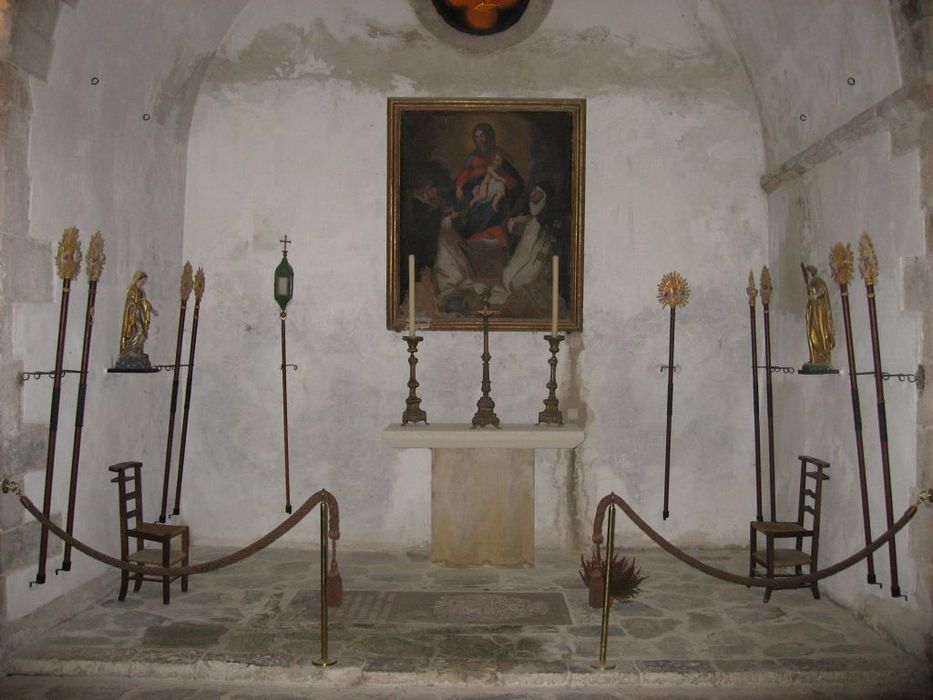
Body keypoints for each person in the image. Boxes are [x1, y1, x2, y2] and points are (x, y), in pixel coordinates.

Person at [452, 123, 523, 247]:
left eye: (482, 136)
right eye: (477, 137)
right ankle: (466, 237)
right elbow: (464, 173)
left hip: (492, 189)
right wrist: (458, 187)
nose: (480, 140)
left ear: (489, 137)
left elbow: (514, 179)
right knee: (465, 205)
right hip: (473, 190)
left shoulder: (498, 155)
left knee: (489, 209)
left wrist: (503, 181)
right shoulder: (472, 157)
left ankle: (476, 237)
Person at [489, 184, 553, 309]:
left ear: (544, 197)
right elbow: (512, 230)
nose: (534, 194)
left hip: (535, 257)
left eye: (538, 193)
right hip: (521, 253)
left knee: (522, 278)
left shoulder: (546, 219)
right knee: (508, 272)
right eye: (533, 191)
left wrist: (543, 251)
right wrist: (516, 220)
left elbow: (547, 242)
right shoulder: (527, 215)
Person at [801, 263, 834, 368]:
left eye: (807, 273)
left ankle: (823, 356)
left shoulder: (818, 281)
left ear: (811, 273)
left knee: (819, 330)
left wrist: (814, 296)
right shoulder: (810, 283)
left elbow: (822, 291)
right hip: (812, 310)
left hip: (819, 310)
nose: (806, 275)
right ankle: (815, 357)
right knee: (811, 333)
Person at [120, 270, 157, 357]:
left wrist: (152, 310)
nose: (143, 283)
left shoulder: (141, 290)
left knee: (143, 332)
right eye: (142, 281)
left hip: (141, 312)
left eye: (144, 282)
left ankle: (138, 350)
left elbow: (145, 301)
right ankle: (131, 350)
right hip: (135, 313)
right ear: (138, 279)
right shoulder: (133, 290)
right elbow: (130, 302)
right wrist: (135, 306)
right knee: (139, 331)